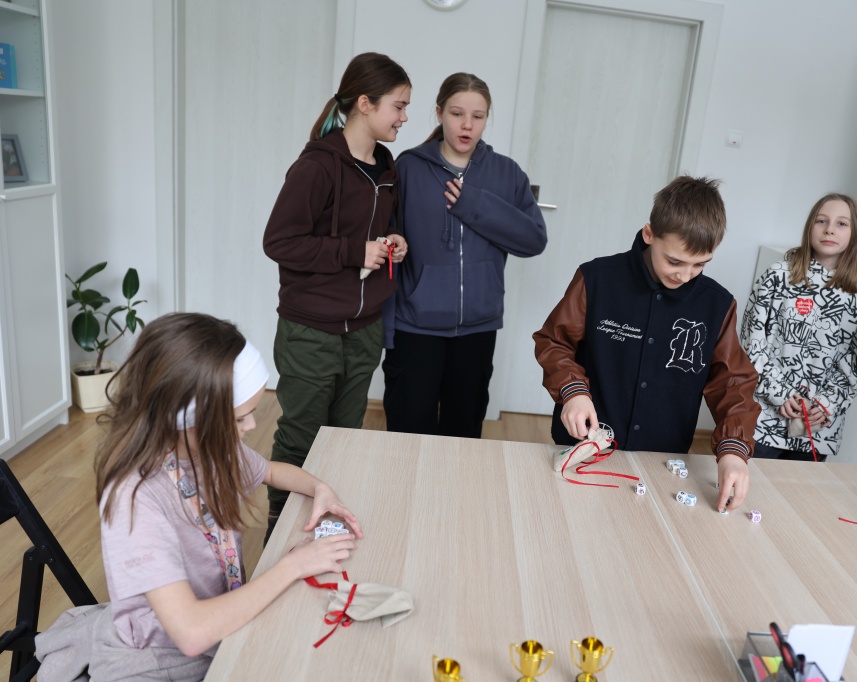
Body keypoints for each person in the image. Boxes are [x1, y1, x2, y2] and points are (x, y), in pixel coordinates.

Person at [36, 313, 362, 680]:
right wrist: (292, 566)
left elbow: (271, 471)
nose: (252, 426)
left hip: (215, 626)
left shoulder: (208, 449)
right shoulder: (136, 498)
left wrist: (320, 489)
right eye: (239, 419)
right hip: (159, 659)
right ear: (184, 418)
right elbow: (190, 634)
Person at [533, 176, 760, 512]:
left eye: (700, 264)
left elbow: (733, 383)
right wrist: (574, 392)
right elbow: (554, 341)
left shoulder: (717, 305)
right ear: (649, 234)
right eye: (675, 261)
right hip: (586, 447)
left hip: (662, 458)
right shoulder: (597, 278)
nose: (685, 275)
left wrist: (734, 451)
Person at [263, 52, 410, 537]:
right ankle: (279, 530)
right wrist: (354, 252)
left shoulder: (385, 167)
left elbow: (374, 229)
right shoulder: (317, 167)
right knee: (301, 435)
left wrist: (394, 240)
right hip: (311, 330)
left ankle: (324, 523)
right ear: (365, 104)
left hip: (364, 329)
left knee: (345, 437)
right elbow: (280, 242)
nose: (403, 117)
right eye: (398, 106)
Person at [382, 72, 546, 438]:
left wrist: (474, 204)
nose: (467, 125)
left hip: (477, 328)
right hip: (415, 325)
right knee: (408, 432)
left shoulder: (507, 174)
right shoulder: (407, 168)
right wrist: (393, 237)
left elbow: (533, 239)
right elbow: (387, 226)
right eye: (457, 114)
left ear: (487, 119)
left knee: (463, 434)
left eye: (478, 116)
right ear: (439, 113)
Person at [740, 193, 857, 462]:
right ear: (809, 227)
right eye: (822, 221)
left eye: (841, 224)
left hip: (818, 427)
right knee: (752, 482)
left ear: (855, 234)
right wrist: (779, 394)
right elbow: (751, 343)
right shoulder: (777, 276)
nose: (830, 229)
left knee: (799, 488)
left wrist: (827, 403)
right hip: (765, 420)